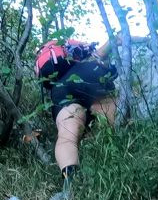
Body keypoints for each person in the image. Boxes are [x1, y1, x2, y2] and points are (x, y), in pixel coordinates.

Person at [35, 33, 132, 191]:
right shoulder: (86, 58)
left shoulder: (55, 81)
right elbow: (114, 41)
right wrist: (146, 40)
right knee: (104, 106)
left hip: (59, 91)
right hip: (84, 73)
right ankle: (117, 146)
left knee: (67, 138)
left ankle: (70, 183)